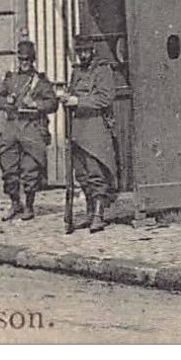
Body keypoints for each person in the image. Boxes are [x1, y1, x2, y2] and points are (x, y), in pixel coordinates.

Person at [0, 39, 58, 221]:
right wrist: (7, 102)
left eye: (28, 60)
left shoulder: (41, 81)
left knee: (30, 169)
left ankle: (29, 206)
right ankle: (15, 203)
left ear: (33, 60)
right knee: (7, 166)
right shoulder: (10, 79)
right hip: (12, 126)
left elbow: (52, 103)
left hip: (32, 127)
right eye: (21, 59)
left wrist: (36, 104)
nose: (24, 63)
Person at [62, 35, 120, 232]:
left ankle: (98, 215)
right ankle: (88, 212)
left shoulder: (103, 70)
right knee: (82, 175)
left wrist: (78, 102)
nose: (82, 55)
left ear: (92, 50)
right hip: (77, 130)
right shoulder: (77, 72)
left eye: (85, 51)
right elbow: (72, 93)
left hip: (95, 130)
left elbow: (105, 98)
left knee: (96, 173)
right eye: (79, 52)